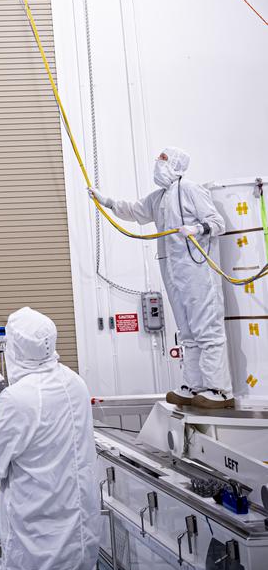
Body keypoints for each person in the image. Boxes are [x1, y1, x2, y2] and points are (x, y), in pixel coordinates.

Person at [90, 146, 232, 410]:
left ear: (176, 164)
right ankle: (193, 386)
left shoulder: (190, 189)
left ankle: (218, 389)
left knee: (206, 329)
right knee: (187, 332)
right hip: (174, 272)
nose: (158, 163)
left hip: (198, 269)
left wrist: (198, 228)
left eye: (163, 159)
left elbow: (217, 222)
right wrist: (106, 201)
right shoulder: (159, 198)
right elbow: (134, 210)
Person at [0, 307, 99, 570]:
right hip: (82, 535)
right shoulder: (75, 382)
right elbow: (39, 413)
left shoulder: (17, 400)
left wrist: (0, 397)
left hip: (39, 543)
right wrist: (0, 385)